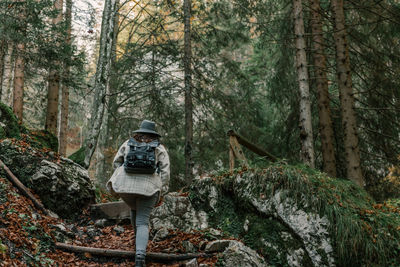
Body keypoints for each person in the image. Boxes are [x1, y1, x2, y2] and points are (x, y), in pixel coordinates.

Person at [106, 120, 170, 267]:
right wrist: (162, 188)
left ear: (139, 132)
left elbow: (116, 162)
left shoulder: (128, 143)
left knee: (134, 209)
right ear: (154, 134)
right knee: (142, 222)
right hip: (148, 189)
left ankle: (137, 244)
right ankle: (140, 255)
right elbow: (165, 173)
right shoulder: (159, 148)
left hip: (125, 188)